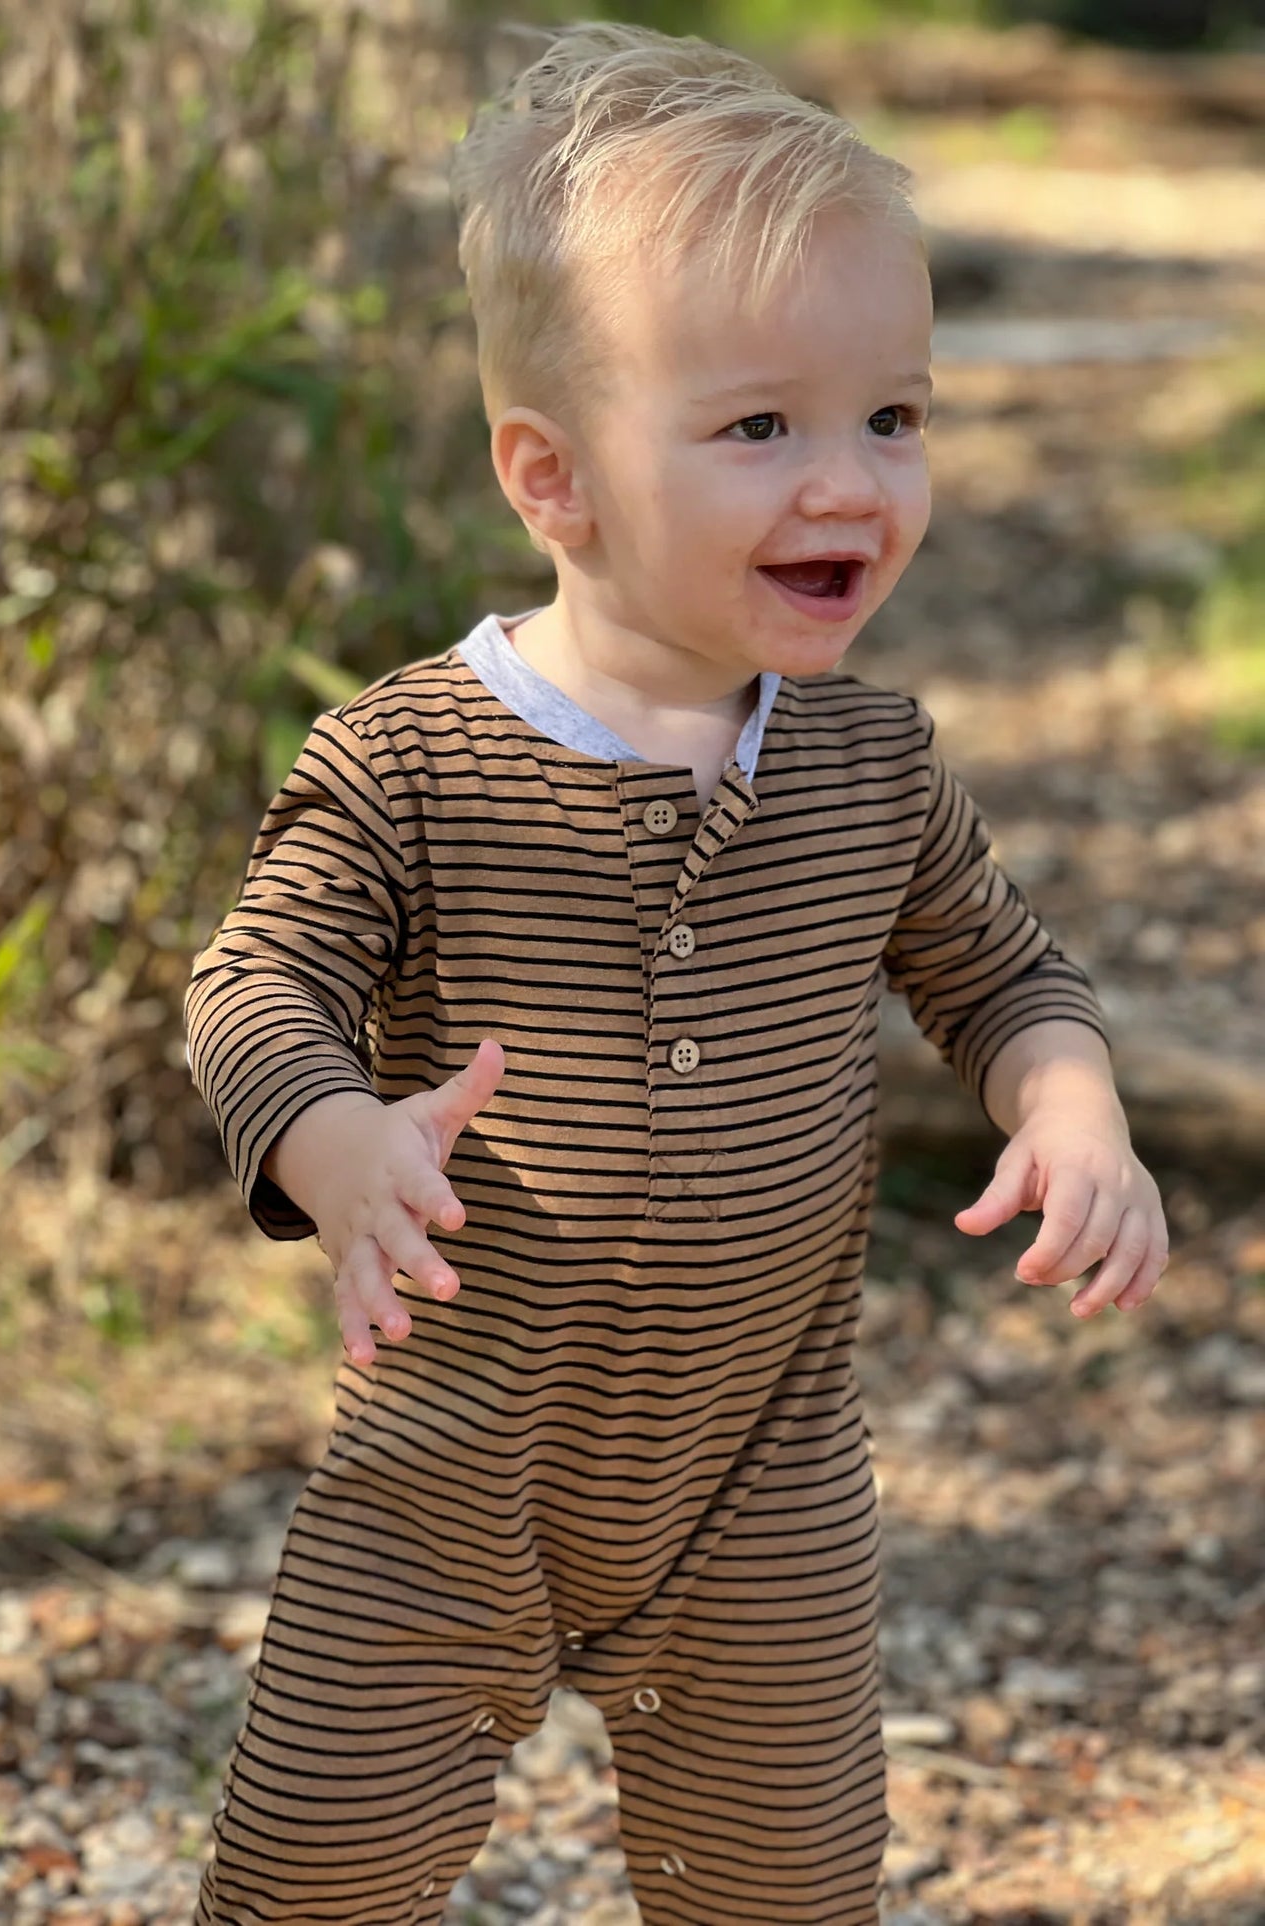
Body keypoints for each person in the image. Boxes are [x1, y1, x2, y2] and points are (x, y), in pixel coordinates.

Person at [183, 20, 1168, 1925]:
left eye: (893, 417)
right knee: (314, 1869)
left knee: (785, 1886)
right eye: (757, 428)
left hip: (757, 1485)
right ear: (551, 480)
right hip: (448, 1474)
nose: (849, 483)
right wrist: (331, 1143)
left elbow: (1003, 973)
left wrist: (1077, 1112)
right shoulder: (411, 757)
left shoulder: (868, 761)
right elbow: (258, 978)